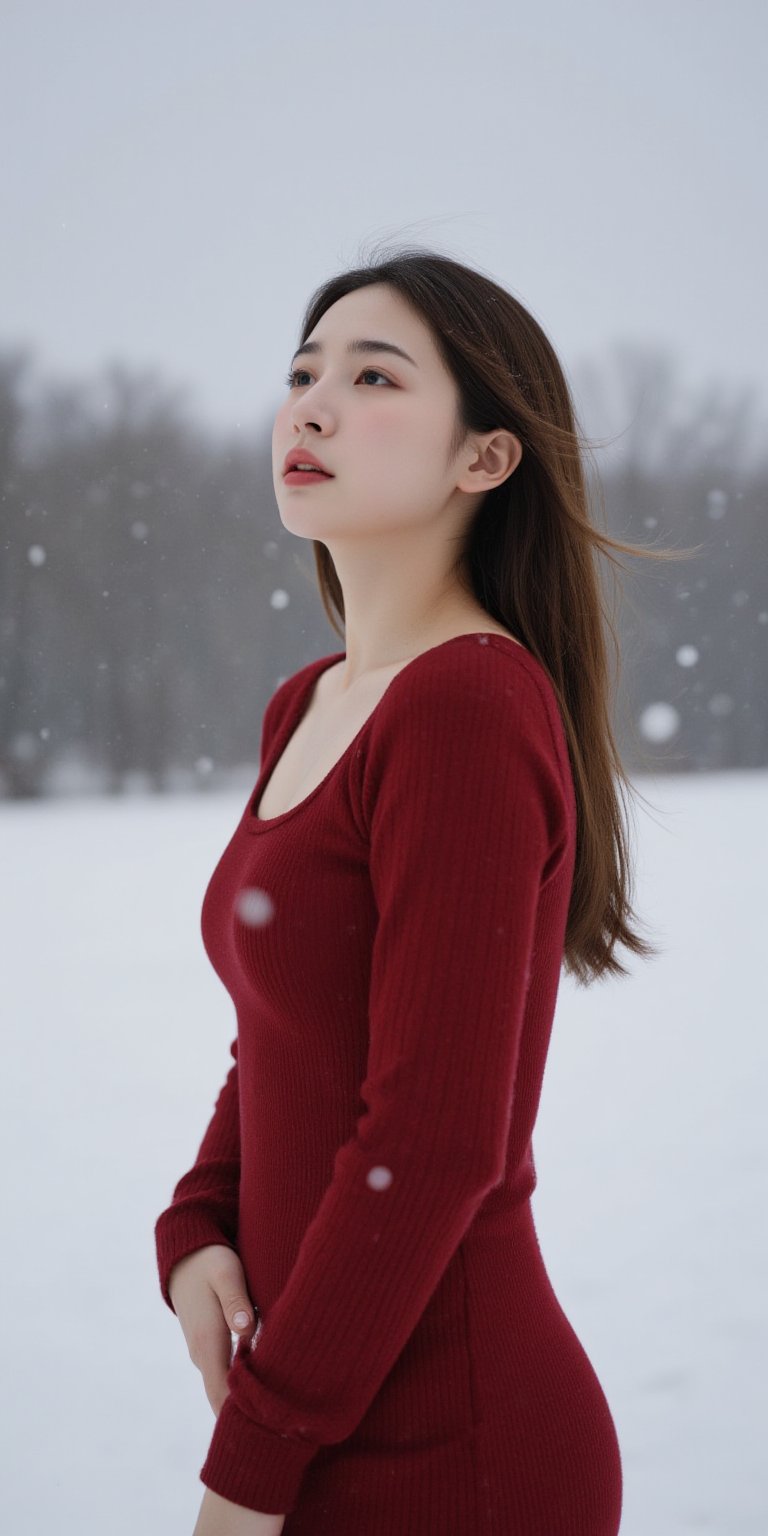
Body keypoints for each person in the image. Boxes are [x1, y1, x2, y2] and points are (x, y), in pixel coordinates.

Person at [155, 244, 688, 1535]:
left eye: (374, 375)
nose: (314, 405)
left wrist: (253, 1461)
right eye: (302, 372)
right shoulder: (313, 703)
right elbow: (285, 1032)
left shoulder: (465, 706)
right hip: (326, 1416)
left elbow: (435, 1137)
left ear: (484, 459)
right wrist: (200, 1222)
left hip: (455, 1453)